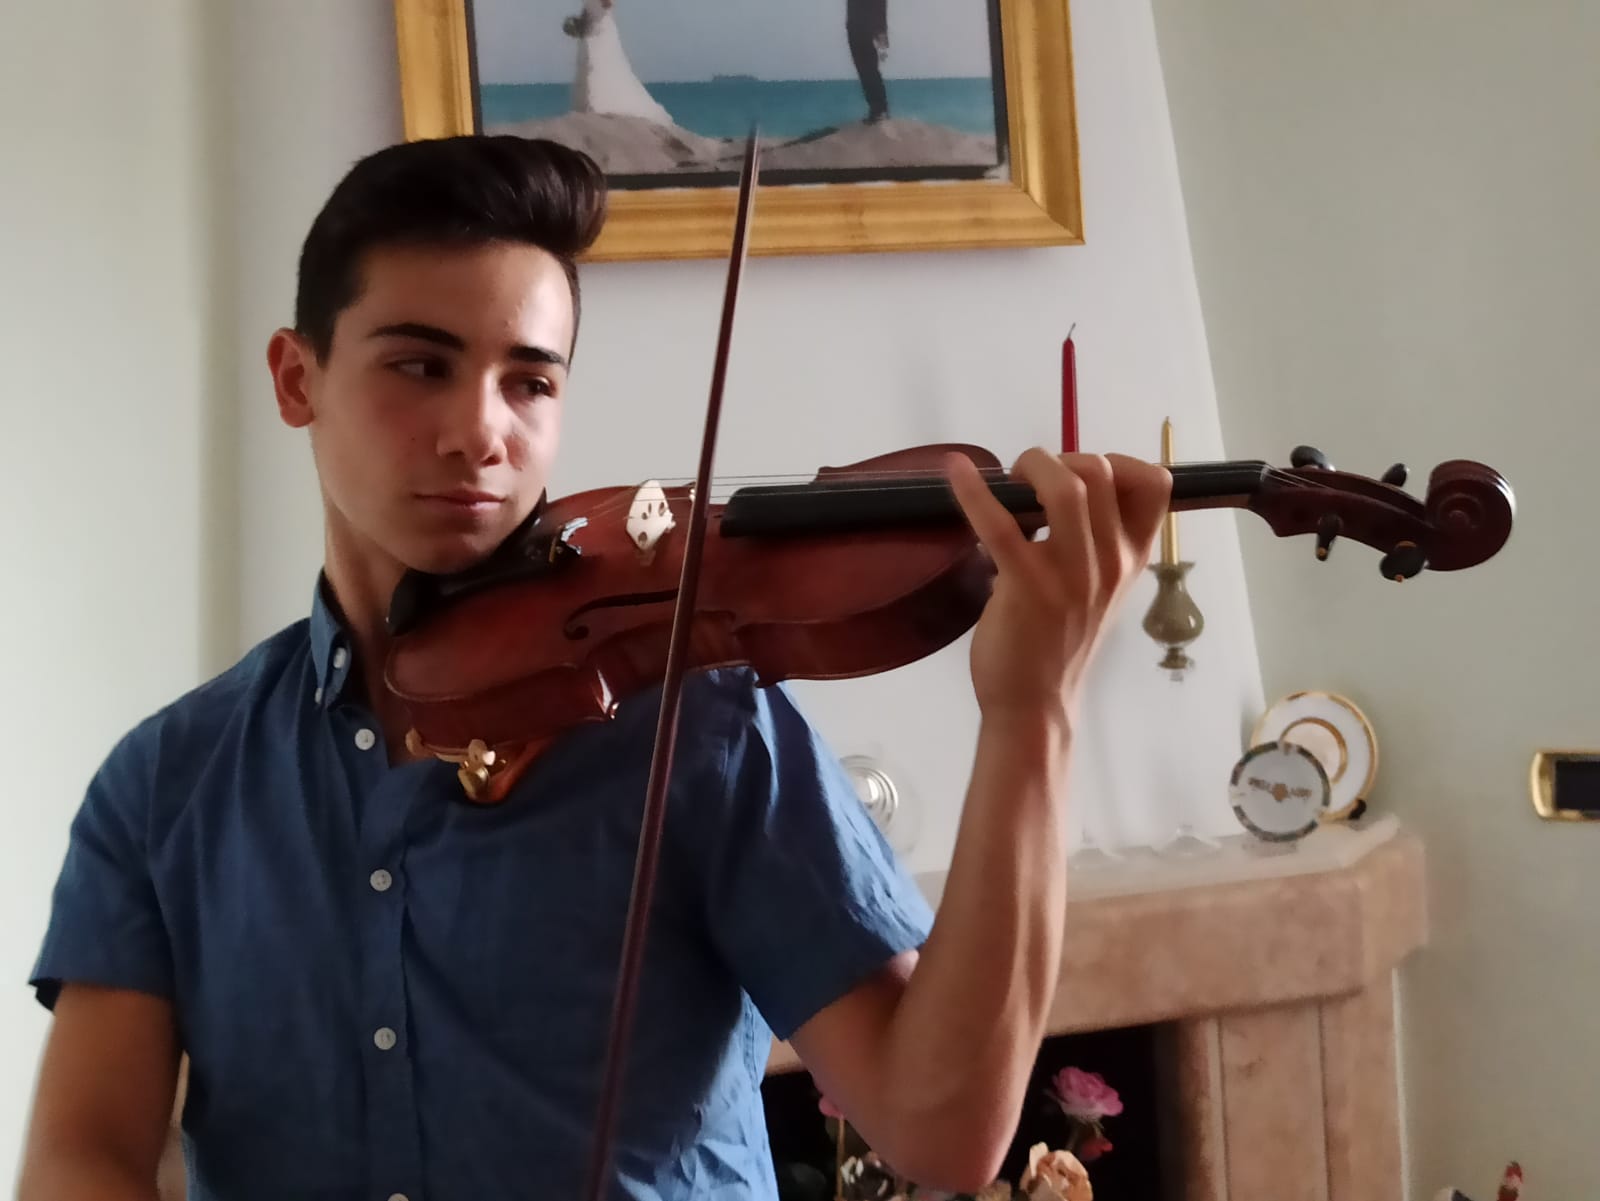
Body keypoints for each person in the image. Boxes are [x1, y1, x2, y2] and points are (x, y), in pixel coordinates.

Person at [15, 134, 1171, 1201]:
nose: (481, 431)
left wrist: (1033, 710)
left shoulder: (700, 720)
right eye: (419, 365)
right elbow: (81, 1153)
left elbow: (941, 1128)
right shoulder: (167, 781)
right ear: (295, 378)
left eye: (530, 380)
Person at [846, 0, 890, 123]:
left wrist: (882, 36)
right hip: (855, 28)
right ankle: (876, 109)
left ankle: (880, 110)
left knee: (869, 69)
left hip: (868, 29)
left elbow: (880, 7)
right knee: (864, 70)